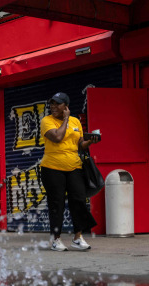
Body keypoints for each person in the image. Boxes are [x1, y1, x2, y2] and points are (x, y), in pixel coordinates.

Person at [40, 92, 99, 251]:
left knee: (79, 200)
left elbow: (80, 144)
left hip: (74, 167)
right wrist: (65, 119)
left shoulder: (76, 121)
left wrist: (90, 141)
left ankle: (78, 238)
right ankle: (55, 239)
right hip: (52, 168)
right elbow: (58, 137)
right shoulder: (47, 121)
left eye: (57, 104)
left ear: (66, 106)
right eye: (52, 103)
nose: (53, 107)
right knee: (57, 203)